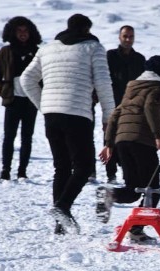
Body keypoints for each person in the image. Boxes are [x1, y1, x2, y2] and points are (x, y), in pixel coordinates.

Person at [21, 13, 115, 234]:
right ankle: (62, 207)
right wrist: (108, 119)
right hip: (77, 113)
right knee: (83, 167)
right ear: (86, 29)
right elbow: (103, 84)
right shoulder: (93, 47)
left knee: (61, 168)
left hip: (52, 115)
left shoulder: (47, 48)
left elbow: (26, 79)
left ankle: (59, 225)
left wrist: (44, 105)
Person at [96, 56, 160, 242]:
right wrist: (157, 135)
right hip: (142, 141)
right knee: (153, 189)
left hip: (123, 141)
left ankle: (110, 194)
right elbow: (150, 107)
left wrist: (109, 144)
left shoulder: (133, 88)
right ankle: (136, 230)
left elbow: (115, 114)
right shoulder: (158, 88)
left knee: (134, 189)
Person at [0, 16, 42, 180]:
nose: (22, 34)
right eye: (19, 31)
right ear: (12, 32)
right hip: (12, 100)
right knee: (9, 136)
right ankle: (5, 170)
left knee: (27, 137)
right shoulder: (6, 51)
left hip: (31, 100)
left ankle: (22, 171)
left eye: (25, 30)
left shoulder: (37, 51)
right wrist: (3, 91)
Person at [104, 25, 146, 184]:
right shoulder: (110, 56)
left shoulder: (139, 59)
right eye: (125, 36)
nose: (128, 40)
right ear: (119, 37)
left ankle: (129, 172)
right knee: (109, 138)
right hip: (112, 103)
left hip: (132, 106)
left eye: (131, 36)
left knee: (129, 139)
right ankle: (110, 173)